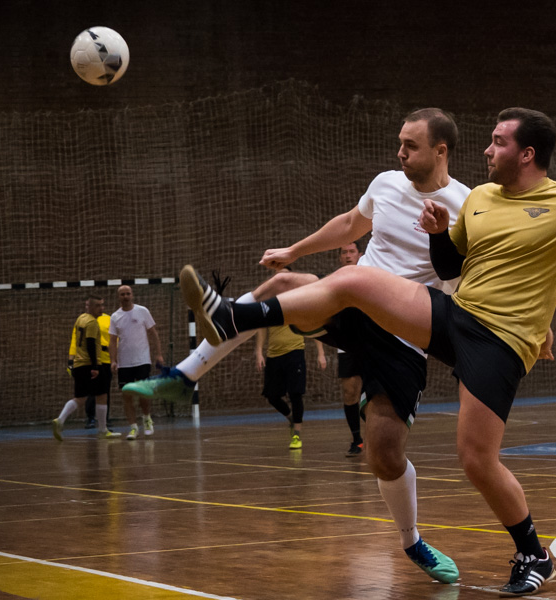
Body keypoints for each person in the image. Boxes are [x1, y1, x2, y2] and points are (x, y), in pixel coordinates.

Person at [180, 107, 556, 596]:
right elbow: (448, 266)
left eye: (498, 142)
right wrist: (439, 232)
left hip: (501, 341)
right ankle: (232, 316)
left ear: (527, 154)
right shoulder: (481, 198)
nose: (487, 150)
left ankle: (533, 553)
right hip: (456, 315)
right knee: (355, 279)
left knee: (476, 459)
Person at [126, 108, 470, 585]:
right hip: (354, 303)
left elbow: (478, 275)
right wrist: (294, 251)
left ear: (440, 150)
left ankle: (411, 540)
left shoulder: (466, 205)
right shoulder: (387, 183)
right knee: (287, 282)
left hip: (404, 333)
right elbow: (349, 223)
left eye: (410, 146)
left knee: (384, 455)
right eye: (399, 142)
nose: (400, 153)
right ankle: (185, 375)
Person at [255, 275, 328, 450]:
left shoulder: (298, 300)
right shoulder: (269, 303)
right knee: (272, 396)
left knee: (295, 394)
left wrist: (321, 353)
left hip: (295, 352)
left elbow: (313, 325)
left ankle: (297, 434)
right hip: (273, 355)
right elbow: (262, 328)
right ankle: (291, 418)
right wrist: (258, 351)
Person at [53, 295, 122, 440]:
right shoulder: (92, 323)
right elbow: (90, 344)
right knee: (102, 395)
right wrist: (95, 366)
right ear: (88, 306)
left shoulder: (81, 319)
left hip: (80, 364)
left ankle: (60, 420)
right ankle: (102, 429)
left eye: (102, 305)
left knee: (80, 397)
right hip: (92, 364)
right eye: (97, 305)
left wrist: (72, 362)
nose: (101, 308)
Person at [109, 285, 165, 440]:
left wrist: (159, 354)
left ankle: (147, 419)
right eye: (122, 294)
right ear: (119, 297)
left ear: (132, 295)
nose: (125, 296)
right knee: (127, 395)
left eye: (128, 293)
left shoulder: (142, 311)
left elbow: (153, 333)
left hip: (142, 360)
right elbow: (112, 340)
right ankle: (133, 427)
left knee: (143, 393)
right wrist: (113, 360)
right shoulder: (115, 317)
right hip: (124, 363)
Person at [336, 242, 365, 456]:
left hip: (371, 343)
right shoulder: (335, 281)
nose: (347, 255)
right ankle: (357, 440)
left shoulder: (370, 275)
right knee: (349, 392)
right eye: (344, 252)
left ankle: (377, 436)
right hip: (346, 344)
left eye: (351, 252)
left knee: (373, 392)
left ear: (360, 255)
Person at [71, 306, 112, 430]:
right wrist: (71, 358)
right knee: (90, 391)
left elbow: (114, 339)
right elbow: (75, 340)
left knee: (104, 391)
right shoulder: (84, 320)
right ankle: (91, 418)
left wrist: (115, 358)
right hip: (92, 360)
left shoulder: (108, 319)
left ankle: (104, 420)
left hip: (106, 359)